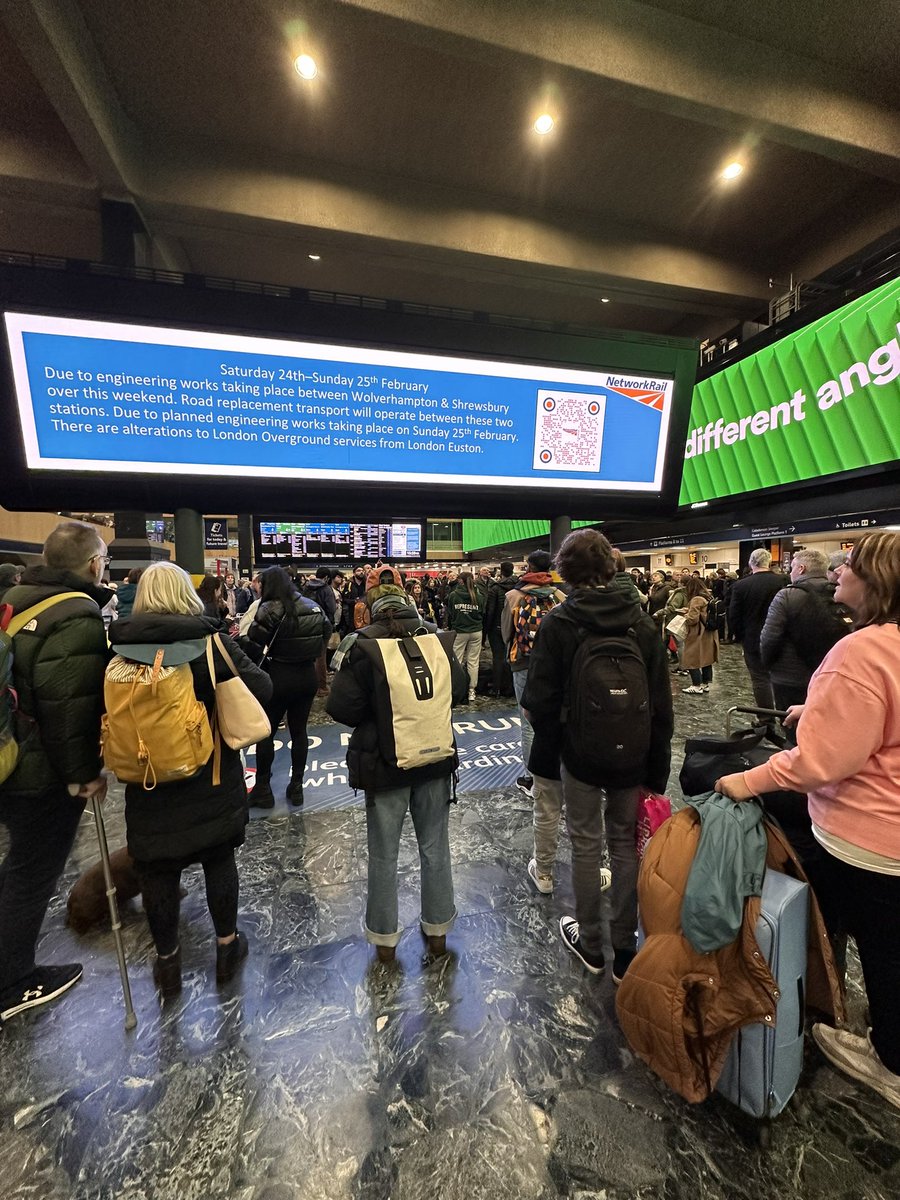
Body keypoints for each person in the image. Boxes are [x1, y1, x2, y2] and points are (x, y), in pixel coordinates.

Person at [715, 530, 900, 1110]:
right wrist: (815, 708)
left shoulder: (862, 651)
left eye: (852, 565)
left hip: (866, 835)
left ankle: (889, 1059)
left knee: (878, 945)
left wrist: (745, 780)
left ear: (877, 584)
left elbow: (821, 763)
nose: (839, 571)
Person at [109, 562, 272, 996]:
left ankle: (167, 963)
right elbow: (263, 688)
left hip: (146, 784)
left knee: (157, 873)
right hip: (212, 778)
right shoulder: (211, 643)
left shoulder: (119, 648)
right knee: (219, 861)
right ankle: (226, 948)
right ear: (187, 595)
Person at [522, 529, 673, 983]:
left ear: (564, 570)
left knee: (586, 844)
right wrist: (658, 764)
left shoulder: (560, 622)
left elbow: (538, 701)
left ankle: (591, 944)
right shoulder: (642, 623)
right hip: (634, 753)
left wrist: (558, 743)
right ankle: (626, 950)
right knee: (625, 844)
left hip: (580, 755)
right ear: (610, 567)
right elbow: (662, 702)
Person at [326, 566, 467, 962]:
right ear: (409, 604)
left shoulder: (363, 644)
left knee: (384, 854)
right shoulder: (433, 639)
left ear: (370, 609)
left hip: (384, 766)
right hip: (435, 758)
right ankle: (438, 932)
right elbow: (458, 690)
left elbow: (341, 707)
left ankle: (385, 940)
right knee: (435, 848)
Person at [0, 522, 111, 1020]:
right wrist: (84, 772)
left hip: (6, 754)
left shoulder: (14, 600)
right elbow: (71, 708)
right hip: (39, 772)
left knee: (15, 867)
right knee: (31, 872)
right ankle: (12, 981)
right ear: (92, 564)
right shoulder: (76, 614)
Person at [246, 566, 331, 808]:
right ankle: (297, 787)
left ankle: (263, 788)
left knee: (267, 733)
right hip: (306, 676)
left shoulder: (268, 608)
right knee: (299, 732)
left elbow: (253, 645)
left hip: (277, 677)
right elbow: (326, 632)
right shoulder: (313, 606)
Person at [501, 550, 566, 795]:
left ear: (528, 567)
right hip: (554, 665)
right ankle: (556, 770)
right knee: (554, 719)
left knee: (528, 724)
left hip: (523, 663)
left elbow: (506, 634)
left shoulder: (513, 596)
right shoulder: (559, 595)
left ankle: (531, 779)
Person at [759, 548, 850, 712]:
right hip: (831, 674)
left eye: (793, 567)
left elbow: (770, 638)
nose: (790, 571)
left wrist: (769, 665)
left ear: (801, 569)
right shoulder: (841, 593)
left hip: (790, 676)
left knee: (791, 725)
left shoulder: (787, 595)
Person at [727, 548, 784, 708]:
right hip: (781, 636)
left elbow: (734, 615)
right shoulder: (783, 581)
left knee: (760, 679)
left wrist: (740, 637)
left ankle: (766, 719)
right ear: (769, 562)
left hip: (752, 638)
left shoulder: (741, 585)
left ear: (751, 563)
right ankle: (786, 716)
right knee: (782, 676)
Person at [446, 570, 485, 702]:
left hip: (460, 631)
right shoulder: (478, 596)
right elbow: (482, 613)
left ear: (460, 581)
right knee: (473, 662)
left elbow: (450, 613)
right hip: (476, 631)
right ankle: (471, 691)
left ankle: (456, 689)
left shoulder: (453, 595)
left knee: (457, 661)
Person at [679, 574, 719, 695]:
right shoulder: (707, 596)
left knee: (692, 657)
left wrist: (686, 615)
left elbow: (693, 619)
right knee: (706, 658)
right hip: (709, 632)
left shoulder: (696, 599)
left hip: (698, 633)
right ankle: (705, 684)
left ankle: (696, 685)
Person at [482, 560, 517, 697]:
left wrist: (485, 631)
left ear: (501, 571)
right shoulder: (518, 588)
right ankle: (509, 687)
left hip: (497, 627)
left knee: (498, 657)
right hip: (514, 626)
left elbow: (490, 612)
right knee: (511, 657)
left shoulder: (495, 589)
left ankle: (496, 688)